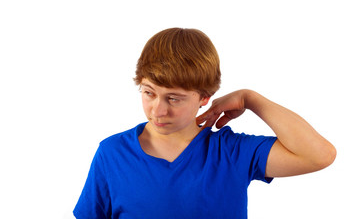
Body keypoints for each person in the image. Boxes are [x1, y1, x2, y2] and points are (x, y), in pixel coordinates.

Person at [73, 28, 336, 219]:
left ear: (204, 98)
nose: (158, 110)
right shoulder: (112, 153)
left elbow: (318, 155)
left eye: (174, 98)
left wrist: (251, 99)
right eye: (149, 92)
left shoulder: (231, 151)